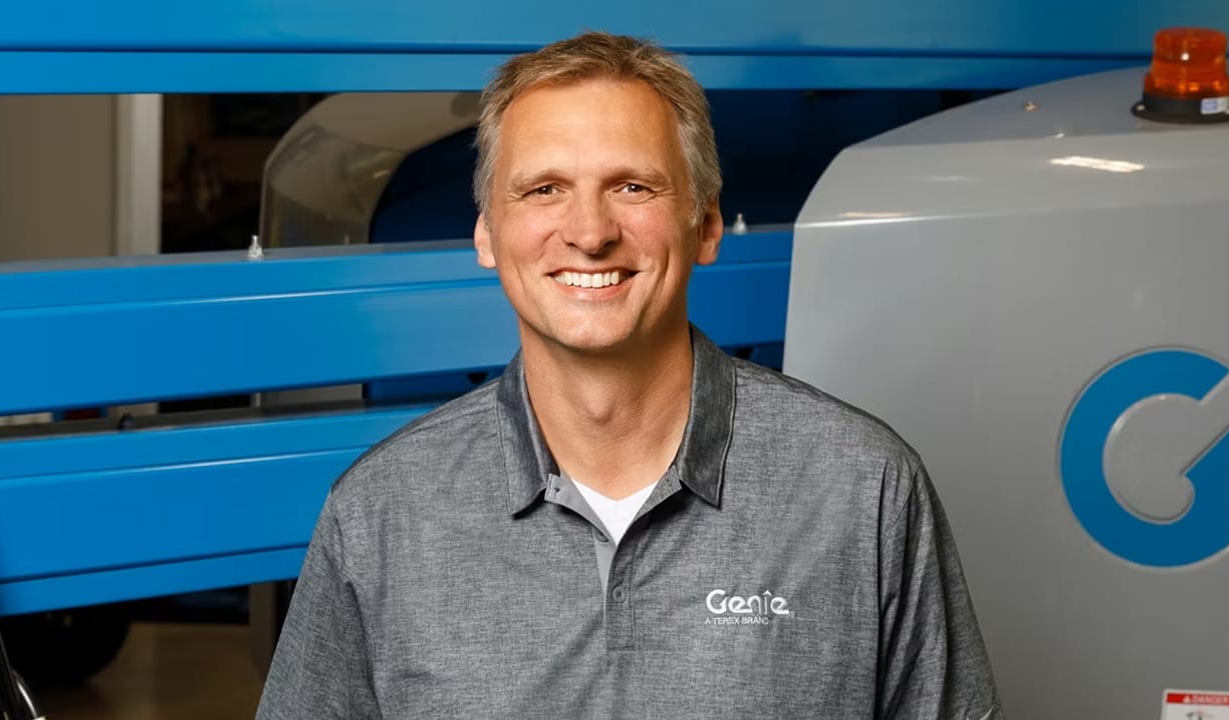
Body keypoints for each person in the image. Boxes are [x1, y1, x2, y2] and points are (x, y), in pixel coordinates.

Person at [256, 31, 1002, 719]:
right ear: (487, 232)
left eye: (634, 187)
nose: (589, 233)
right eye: (544, 189)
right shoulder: (382, 514)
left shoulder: (861, 490)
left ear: (706, 225)